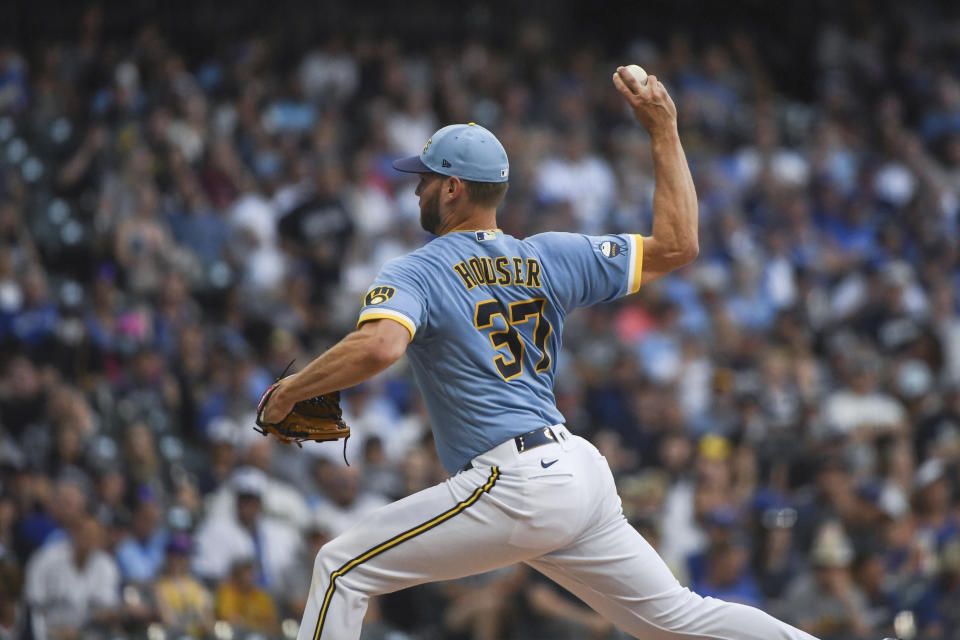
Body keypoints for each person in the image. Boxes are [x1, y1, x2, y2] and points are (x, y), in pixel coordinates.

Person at [259, 67, 891, 640]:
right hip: (577, 472)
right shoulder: (548, 255)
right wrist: (664, 132)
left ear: (452, 189)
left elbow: (379, 345)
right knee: (676, 619)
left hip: (517, 482)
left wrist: (290, 390)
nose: (414, 189)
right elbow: (679, 243)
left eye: (423, 179)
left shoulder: (418, 270)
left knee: (340, 568)